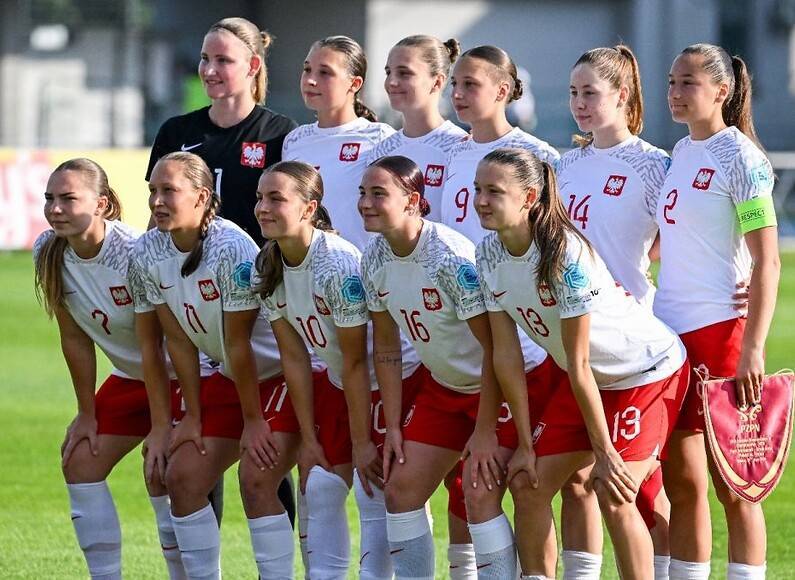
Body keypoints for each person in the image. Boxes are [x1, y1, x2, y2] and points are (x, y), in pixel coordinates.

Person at [474, 147, 689, 579]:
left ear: (529, 197)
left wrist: (604, 453)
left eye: (493, 191)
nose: (480, 200)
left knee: (613, 491)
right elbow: (505, 355)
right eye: (478, 189)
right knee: (527, 482)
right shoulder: (488, 255)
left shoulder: (564, 255)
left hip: (645, 373)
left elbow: (580, 361)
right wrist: (525, 443)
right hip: (588, 378)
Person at [358, 155, 550, 579]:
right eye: (363, 193)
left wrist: (484, 431)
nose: (366, 203)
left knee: (477, 494)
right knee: (400, 489)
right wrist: (393, 427)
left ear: (412, 201)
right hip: (445, 387)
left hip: (505, 382)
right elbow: (386, 349)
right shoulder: (372, 259)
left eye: (378, 193)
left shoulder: (449, 258)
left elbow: (494, 349)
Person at [145, 16, 297, 524]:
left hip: (264, 307)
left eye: (223, 60)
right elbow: (157, 216)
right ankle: (201, 554)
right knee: (197, 448)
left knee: (266, 458)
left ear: (253, 66)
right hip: (196, 305)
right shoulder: (177, 132)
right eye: (205, 59)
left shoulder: (280, 134)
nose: (209, 69)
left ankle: (278, 556)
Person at [133, 152, 303, 579]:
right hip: (232, 375)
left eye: (169, 190)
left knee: (256, 477)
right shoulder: (147, 250)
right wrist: (188, 416)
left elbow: (239, 343)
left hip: (282, 376)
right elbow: (177, 341)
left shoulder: (231, 247)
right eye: (153, 191)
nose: (157, 201)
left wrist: (253, 421)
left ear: (202, 197)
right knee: (182, 478)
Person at [253, 160, 422, 579]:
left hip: (388, 382)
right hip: (338, 381)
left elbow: (358, 359)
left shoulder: (337, 264)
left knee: (372, 488)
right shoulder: (268, 264)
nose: (263, 208)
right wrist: (308, 439)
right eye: (260, 198)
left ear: (309, 208)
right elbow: (295, 358)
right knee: (321, 487)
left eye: (276, 199)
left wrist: (361, 442)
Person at [654, 44, 779, 580]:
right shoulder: (680, 152)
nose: (675, 93)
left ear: (722, 91)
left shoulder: (741, 158)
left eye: (689, 83)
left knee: (737, 486)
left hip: (721, 334)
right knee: (682, 482)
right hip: (670, 337)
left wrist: (752, 348)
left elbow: (767, 260)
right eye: (672, 82)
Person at [33, 158, 188, 579]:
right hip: (132, 377)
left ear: (101, 204)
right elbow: (74, 338)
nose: (55, 209)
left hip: (184, 376)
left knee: (162, 473)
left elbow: (154, 345)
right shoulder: (47, 250)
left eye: (68, 198)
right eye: (50, 198)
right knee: (80, 461)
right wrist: (86, 413)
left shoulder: (134, 253)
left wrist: (161, 426)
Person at [559, 44, 673, 578]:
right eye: (573, 92)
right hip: (575, 340)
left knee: (640, 487)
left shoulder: (653, 165)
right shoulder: (566, 164)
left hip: (632, 342)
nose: (579, 103)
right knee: (576, 479)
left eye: (591, 92)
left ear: (622, 95)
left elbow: (675, 238)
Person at [282, 35, 395, 249]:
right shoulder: (294, 140)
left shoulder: (380, 138)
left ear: (354, 83)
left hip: (360, 265)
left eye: (325, 72)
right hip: (304, 265)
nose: (311, 80)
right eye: (307, 69)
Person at [440, 45, 559, 245]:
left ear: (501, 91)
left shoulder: (537, 153)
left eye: (470, 84)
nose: (457, 94)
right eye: (454, 83)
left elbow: (552, 232)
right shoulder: (455, 151)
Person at [368, 35, 468, 221]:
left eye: (404, 73)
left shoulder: (461, 147)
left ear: (437, 82)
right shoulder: (381, 150)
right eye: (388, 72)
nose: (391, 82)